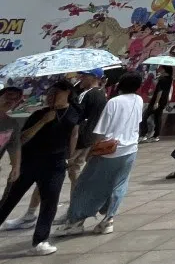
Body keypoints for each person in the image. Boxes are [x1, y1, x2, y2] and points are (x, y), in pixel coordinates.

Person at [56, 71, 144, 237]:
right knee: (119, 184)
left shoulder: (114, 102)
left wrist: (92, 150)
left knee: (86, 185)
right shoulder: (138, 100)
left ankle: (75, 221)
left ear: (119, 85)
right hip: (130, 148)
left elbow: (101, 131)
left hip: (109, 150)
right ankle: (108, 220)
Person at [0, 80, 80, 256]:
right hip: (29, 163)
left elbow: (74, 132)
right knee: (8, 200)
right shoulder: (38, 114)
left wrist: (71, 157)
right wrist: (43, 121)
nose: (51, 96)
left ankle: (40, 240)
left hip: (55, 165)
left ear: (67, 93)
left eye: (55, 93)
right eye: (49, 93)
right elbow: (21, 139)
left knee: (49, 202)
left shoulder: (73, 113)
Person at [69, 69, 108, 200]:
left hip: (81, 138)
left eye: (85, 76)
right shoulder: (102, 94)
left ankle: (79, 197)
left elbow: (77, 118)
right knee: (77, 168)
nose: (81, 78)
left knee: (73, 168)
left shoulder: (87, 94)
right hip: (92, 137)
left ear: (94, 77)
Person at [0, 86, 24, 201]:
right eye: (8, 96)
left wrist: (16, 166)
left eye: (15, 99)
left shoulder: (11, 124)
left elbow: (14, 146)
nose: (11, 101)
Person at [140, 66, 173, 143]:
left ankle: (143, 135)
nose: (159, 70)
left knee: (144, 116)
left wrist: (156, 102)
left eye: (161, 69)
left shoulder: (163, 79)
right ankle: (156, 136)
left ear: (165, 70)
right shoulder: (169, 79)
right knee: (157, 118)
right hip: (163, 101)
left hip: (157, 101)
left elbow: (160, 91)